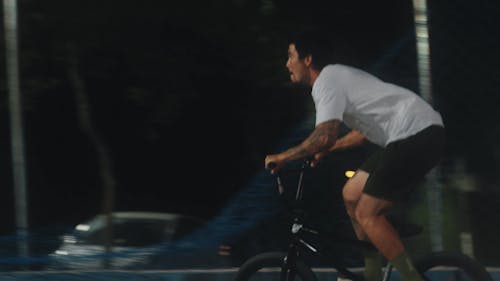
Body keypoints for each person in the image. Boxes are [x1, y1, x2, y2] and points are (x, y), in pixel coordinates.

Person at [264, 30, 445, 281]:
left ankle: (412, 278)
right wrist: (328, 150)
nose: (287, 64)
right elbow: (358, 134)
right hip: (413, 136)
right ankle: (372, 272)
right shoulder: (338, 77)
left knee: (367, 213)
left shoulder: (326, 81)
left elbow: (324, 135)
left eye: (290, 56)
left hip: (415, 135)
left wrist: (284, 157)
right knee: (351, 194)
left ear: (307, 59)